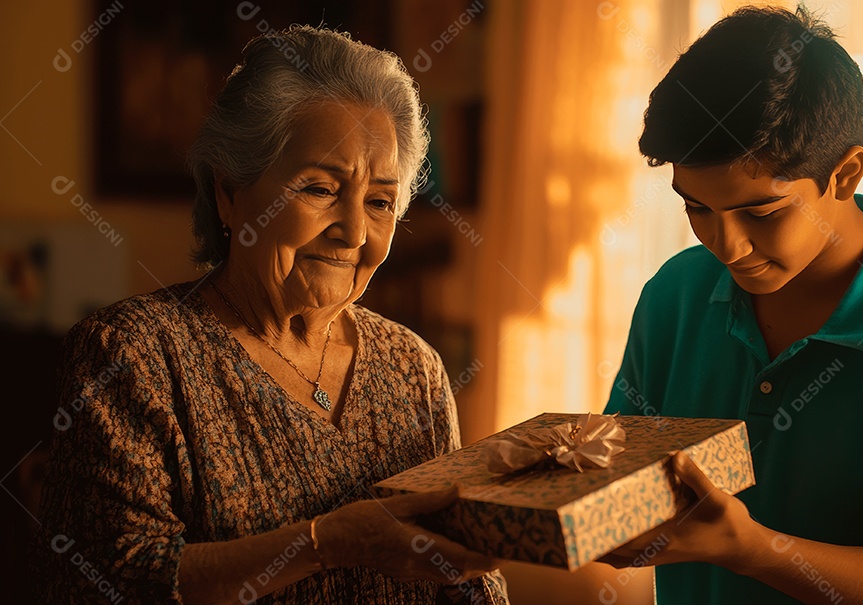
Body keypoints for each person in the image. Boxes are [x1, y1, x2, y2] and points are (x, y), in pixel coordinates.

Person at [31, 26, 508, 605]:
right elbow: (107, 583)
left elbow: (465, 584)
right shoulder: (132, 356)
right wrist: (328, 543)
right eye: (319, 188)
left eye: (380, 201)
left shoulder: (416, 369)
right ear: (230, 193)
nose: (354, 231)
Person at [602, 6, 863, 605]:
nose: (728, 246)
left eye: (763, 213)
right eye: (696, 208)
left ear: (847, 173)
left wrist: (752, 551)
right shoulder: (673, 296)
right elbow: (619, 489)